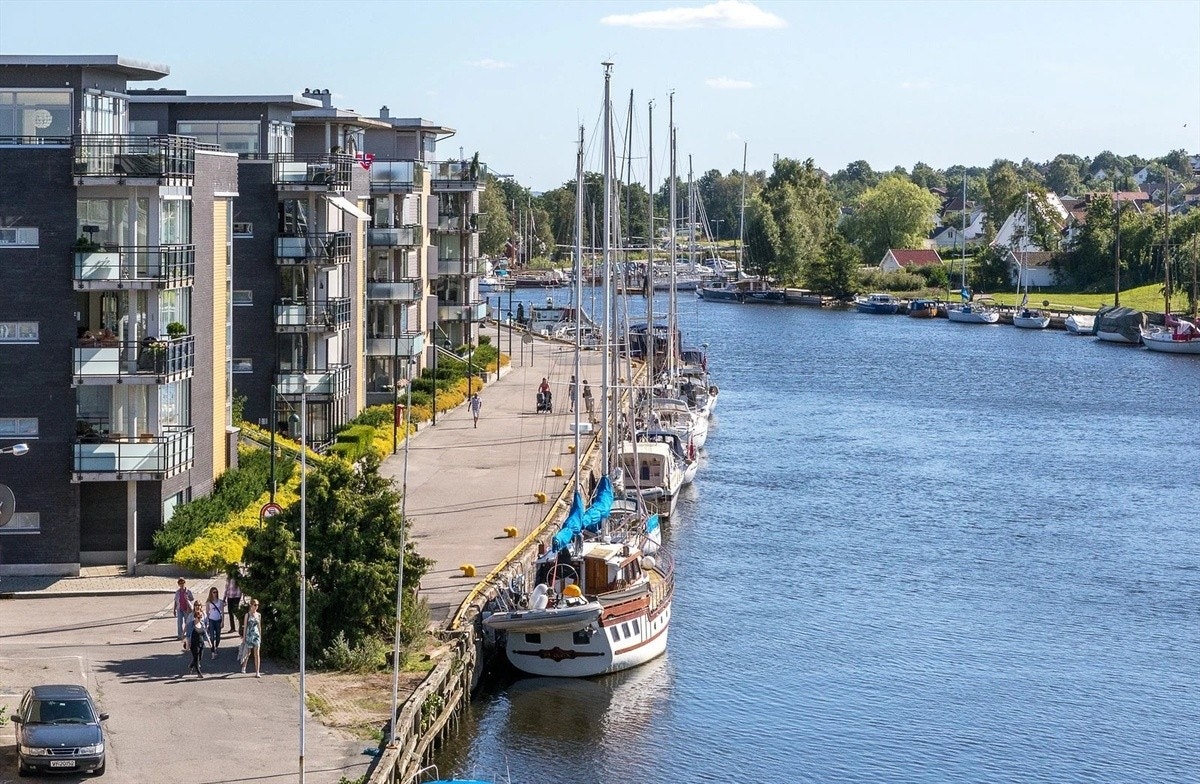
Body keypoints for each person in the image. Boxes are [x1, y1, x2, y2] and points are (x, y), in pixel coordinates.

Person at [186, 604, 210, 678]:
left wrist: (209, 642)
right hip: (193, 644)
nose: (200, 619)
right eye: (198, 617)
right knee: (196, 658)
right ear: (195, 617)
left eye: (201, 617)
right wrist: (187, 645)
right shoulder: (191, 624)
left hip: (201, 643)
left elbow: (205, 633)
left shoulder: (202, 623)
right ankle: (199, 673)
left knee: (200, 658)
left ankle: (191, 665)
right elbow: (188, 635)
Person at [240, 598, 263, 677]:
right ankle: (244, 666)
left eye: (257, 605)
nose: (256, 607)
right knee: (248, 652)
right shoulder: (248, 615)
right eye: (255, 605)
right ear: (251, 605)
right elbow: (245, 627)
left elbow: (259, 626)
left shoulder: (258, 615)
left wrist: (260, 636)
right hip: (249, 635)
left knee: (257, 653)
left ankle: (257, 671)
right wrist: (244, 638)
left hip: (256, 635)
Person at [174, 578, 195, 647]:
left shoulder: (188, 591)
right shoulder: (177, 592)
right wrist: (174, 609)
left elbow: (192, 598)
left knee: (187, 622)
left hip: (187, 609)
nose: (181, 584)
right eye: (180, 583)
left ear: (184, 583)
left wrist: (188, 598)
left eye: (183, 583)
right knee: (179, 622)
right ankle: (180, 635)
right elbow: (175, 601)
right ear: (178, 584)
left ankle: (187, 635)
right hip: (179, 609)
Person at [204, 586, 223, 657]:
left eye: (216, 592)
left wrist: (222, 621)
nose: (215, 594)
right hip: (211, 620)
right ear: (211, 593)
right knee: (211, 637)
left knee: (218, 636)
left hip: (218, 620)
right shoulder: (209, 602)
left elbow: (222, 612)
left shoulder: (220, 601)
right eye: (214, 592)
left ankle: (216, 647)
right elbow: (207, 612)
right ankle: (212, 650)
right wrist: (207, 622)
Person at [224, 569, 243, 634]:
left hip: (236, 596)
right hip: (229, 596)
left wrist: (240, 595)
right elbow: (226, 588)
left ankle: (241, 624)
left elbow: (241, 587)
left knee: (235, 611)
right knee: (230, 612)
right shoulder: (228, 578)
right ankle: (232, 627)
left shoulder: (238, 576)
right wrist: (224, 598)